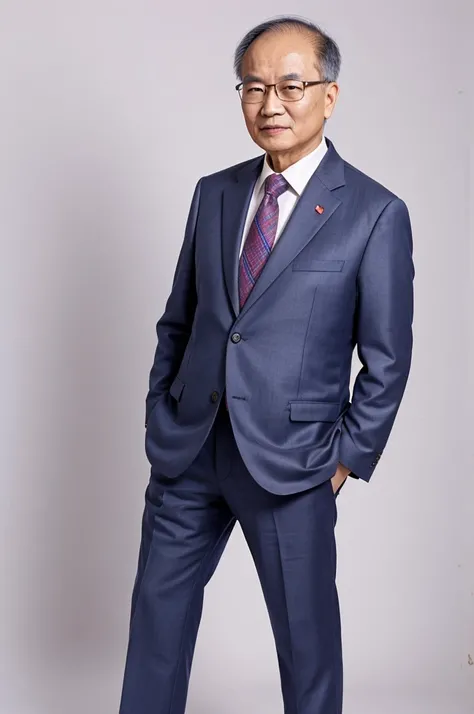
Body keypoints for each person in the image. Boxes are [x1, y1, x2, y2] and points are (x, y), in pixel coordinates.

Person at [119, 15, 414, 714]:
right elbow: (180, 319)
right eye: (253, 87)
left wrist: (344, 459)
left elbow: (388, 358)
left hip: (293, 463)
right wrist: (163, 408)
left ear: (329, 95)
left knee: (306, 646)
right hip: (189, 449)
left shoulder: (373, 213)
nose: (270, 104)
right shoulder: (214, 194)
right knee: (155, 630)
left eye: (289, 85)